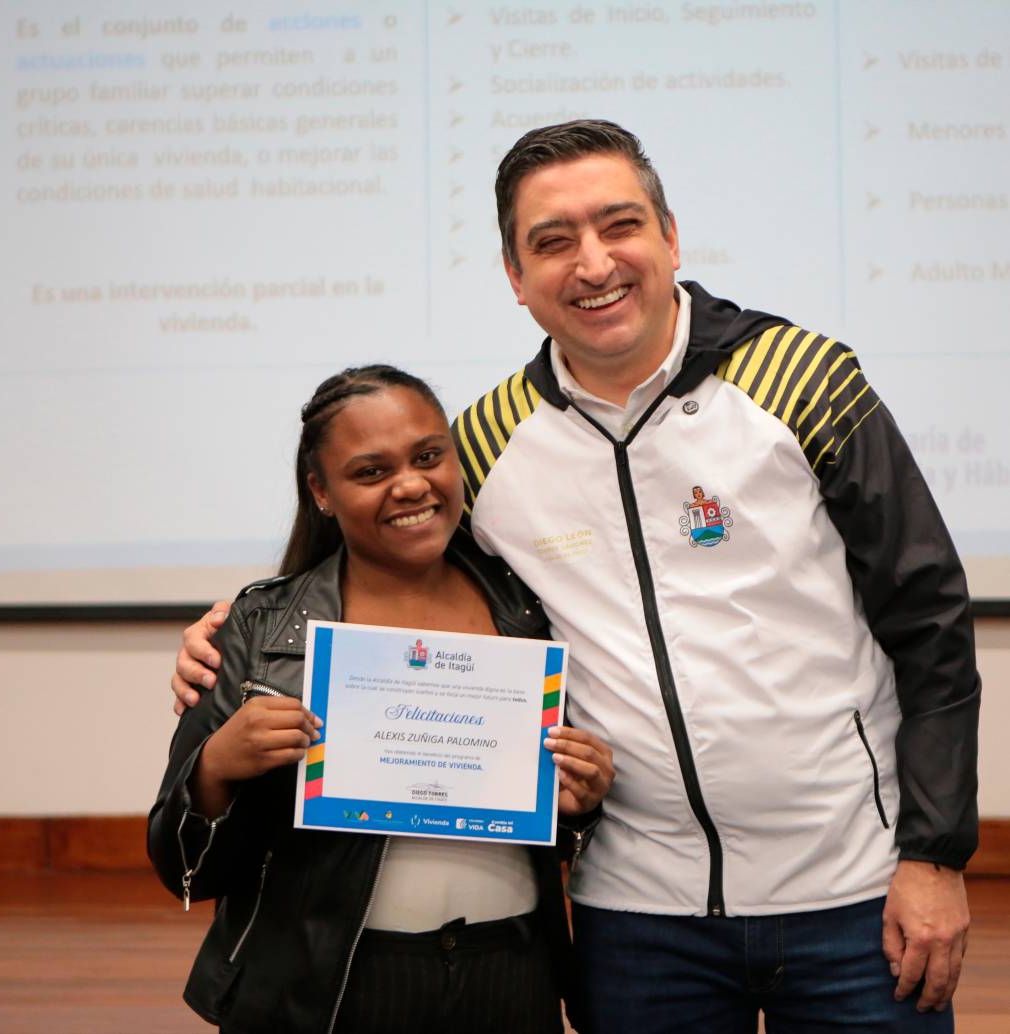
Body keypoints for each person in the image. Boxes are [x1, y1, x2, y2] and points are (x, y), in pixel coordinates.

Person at [172, 122, 980, 1032]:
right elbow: (382, 556)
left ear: (670, 236)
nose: (594, 264)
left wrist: (935, 855)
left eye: (619, 225)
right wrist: (237, 627)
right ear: (515, 277)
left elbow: (930, 622)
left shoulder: (805, 379)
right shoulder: (487, 443)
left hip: (856, 892)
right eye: (553, 242)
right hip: (635, 917)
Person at [150, 365, 614, 1034]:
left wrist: (580, 800)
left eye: (428, 456)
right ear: (322, 491)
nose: (411, 485)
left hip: (509, 970)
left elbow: (561, 830)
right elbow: (184, 868)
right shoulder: (259, 630)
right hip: (325, 984)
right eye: (371, 472)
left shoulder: (530, 608)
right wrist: (217, 766)